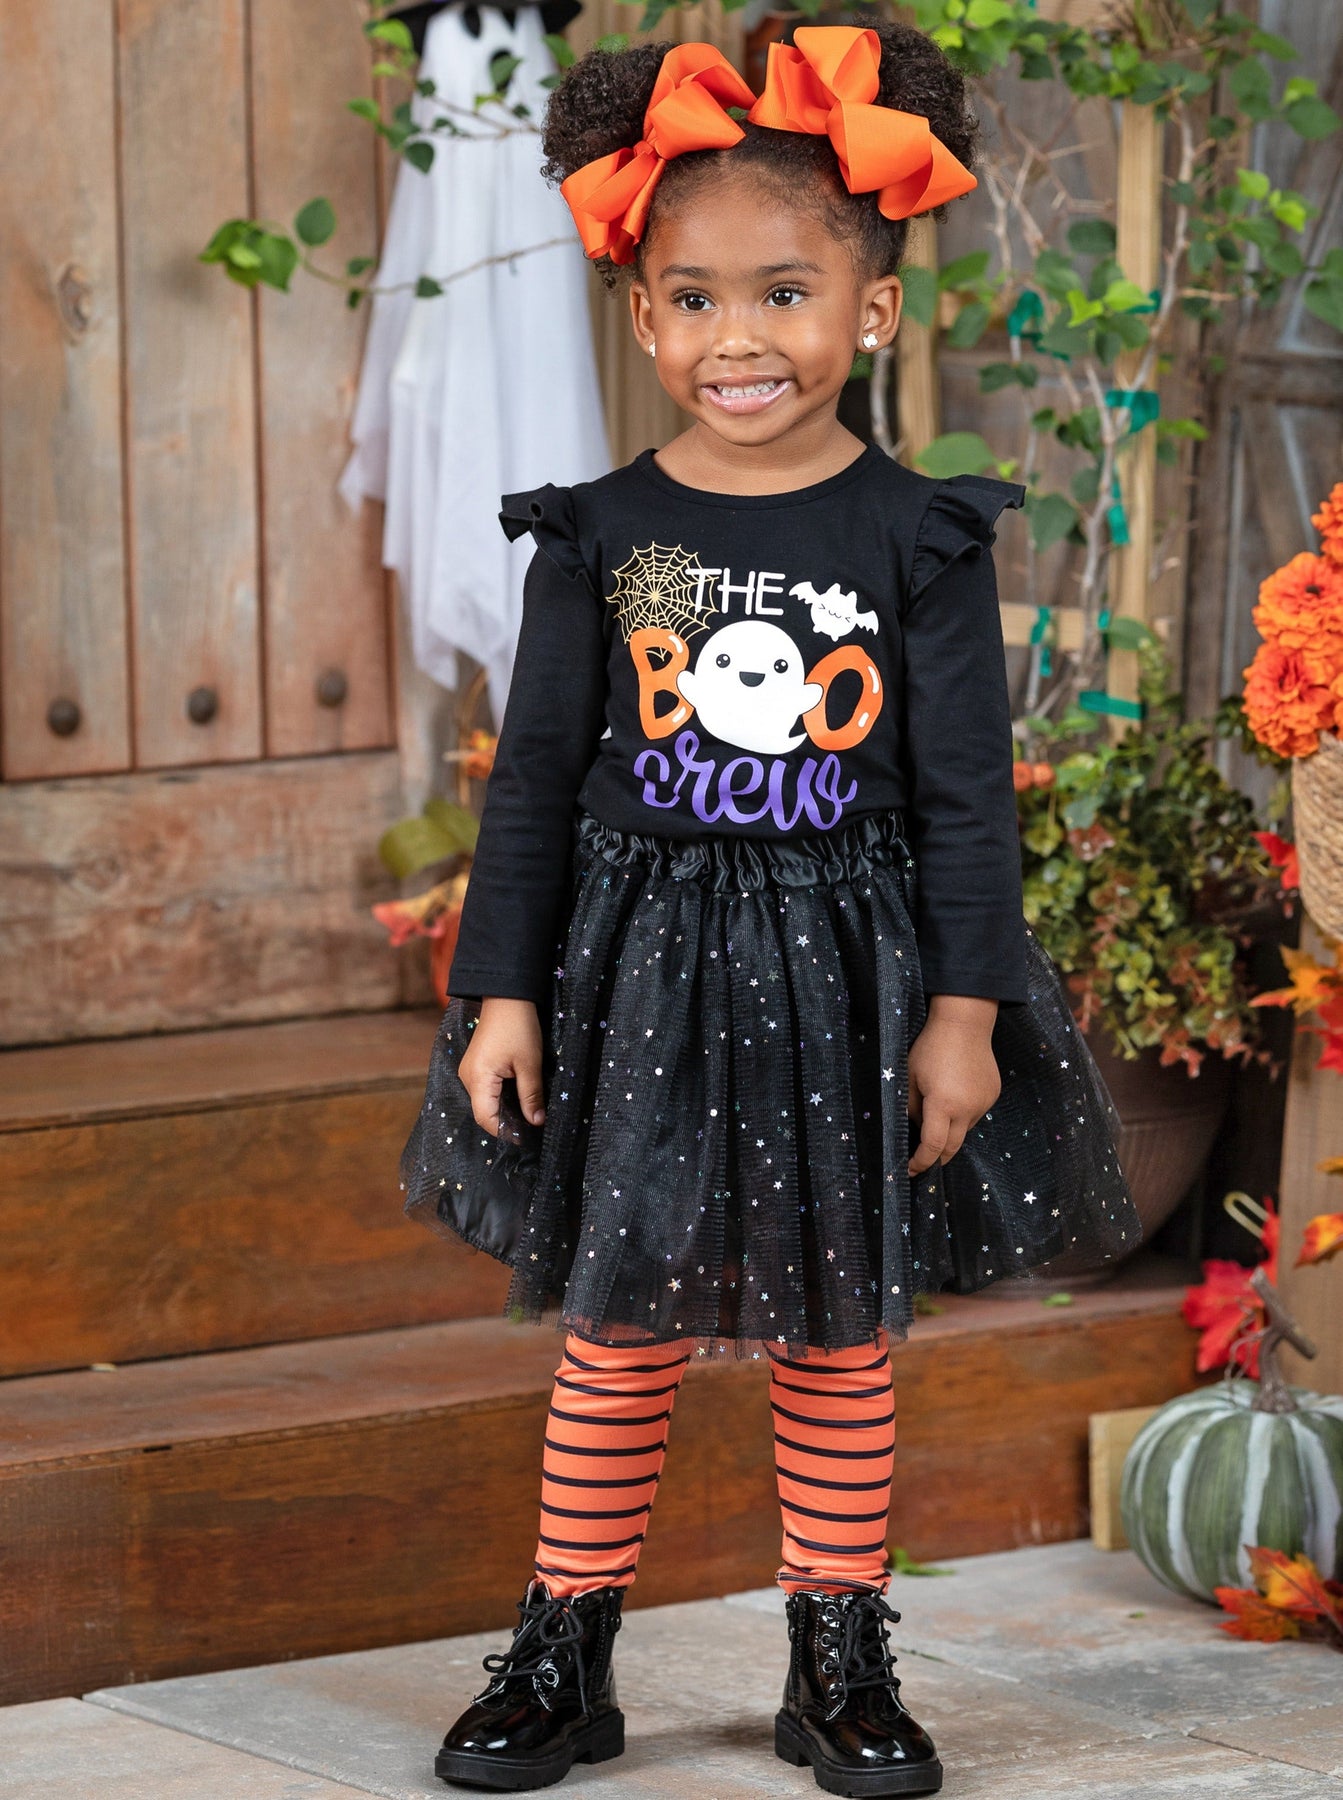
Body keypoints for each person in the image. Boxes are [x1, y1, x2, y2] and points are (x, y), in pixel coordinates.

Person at [400, 22, 1139, 1796]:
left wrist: (964, 1014)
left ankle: (839, 1656)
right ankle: (564, 1650)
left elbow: (965, 800)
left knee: (838, 1334)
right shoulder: (598, 534)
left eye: (785, 294)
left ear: (870, 312)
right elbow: (534, 783)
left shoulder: (916, 534)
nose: (739, 338)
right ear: (642, 317)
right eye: (695, 300)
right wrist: (502, 995)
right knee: (619, 1327)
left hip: (846, 985)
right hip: (638, 981)